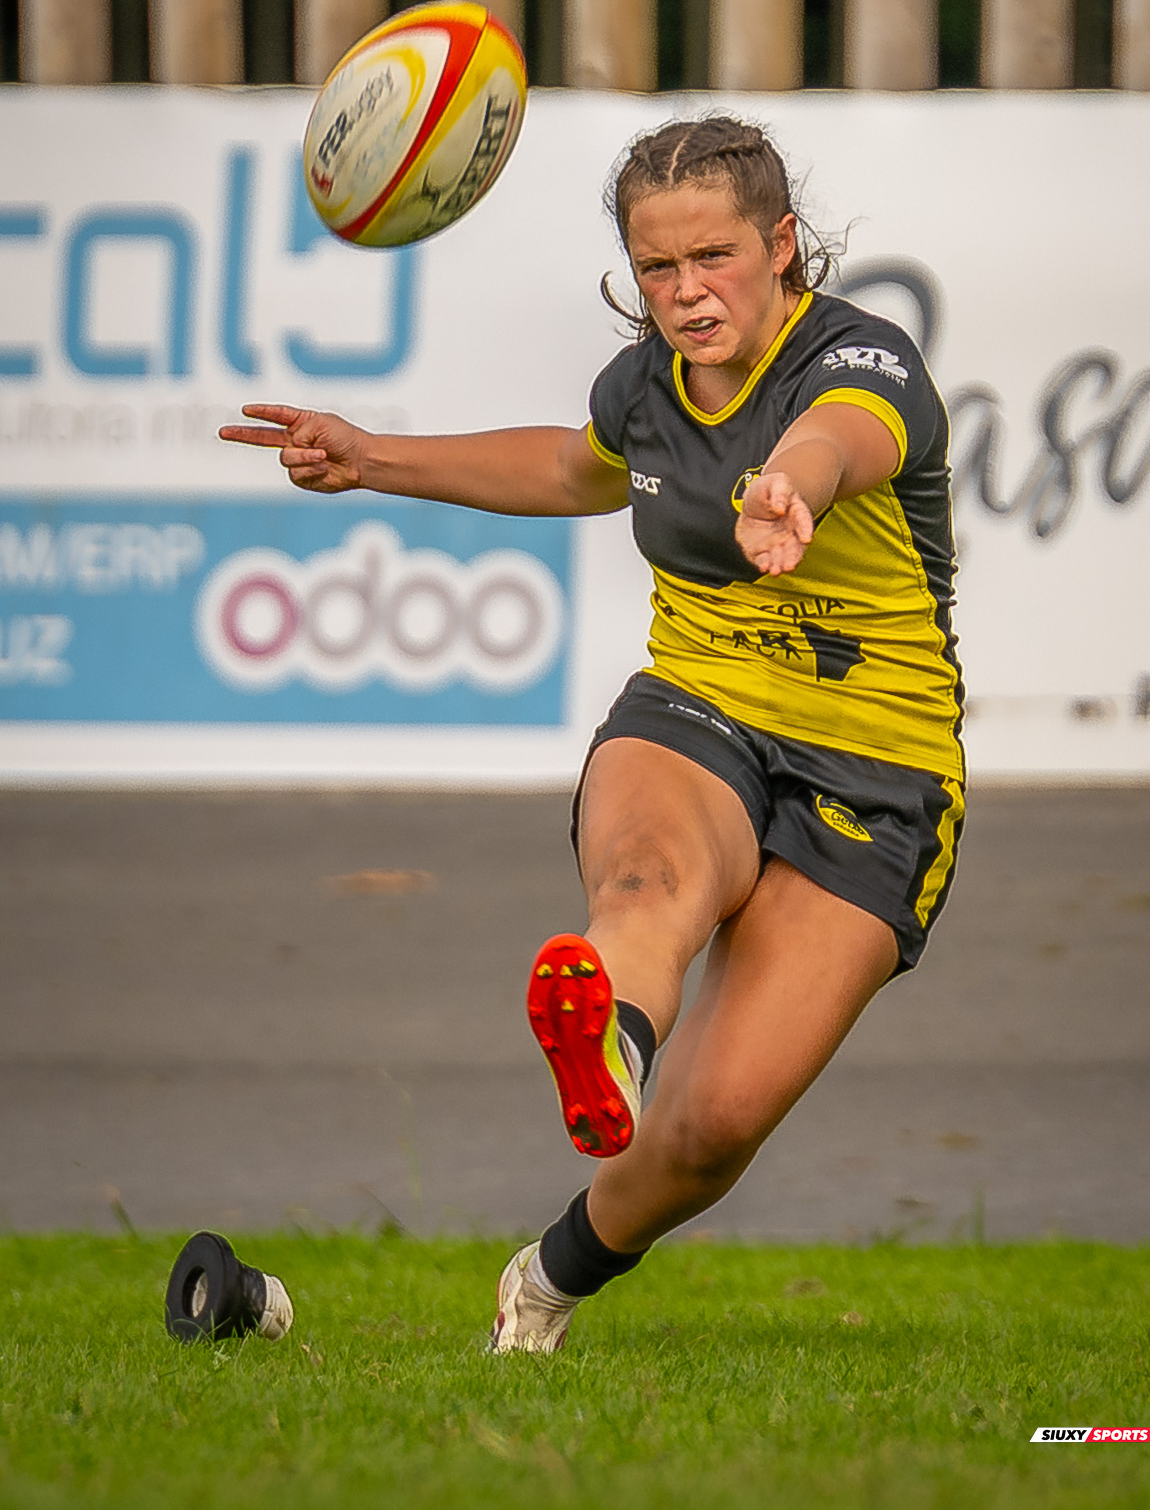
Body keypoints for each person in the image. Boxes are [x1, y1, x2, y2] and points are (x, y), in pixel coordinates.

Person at [219, 116, 965, 1353]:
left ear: (781, 246)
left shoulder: (861, 362)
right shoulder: (643, 388)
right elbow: (577, 469)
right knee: (646, 883)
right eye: (656, 268)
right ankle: (609, 1039)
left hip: (876, 771)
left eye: (713, 258)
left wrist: (794, 481)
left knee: (713, 1127)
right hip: (698, 708)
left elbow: (842, 436)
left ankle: (548, 1279)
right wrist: (372, 457)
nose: (683, 294)